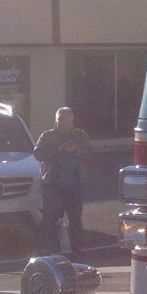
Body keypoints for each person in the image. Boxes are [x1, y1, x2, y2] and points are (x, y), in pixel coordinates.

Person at [34, 107, 94, 256]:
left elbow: (90, 156)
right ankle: (47, 248)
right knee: (50, 218)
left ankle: (78, 247)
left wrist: (75, 151)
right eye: (62, 120)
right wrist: (60, 149)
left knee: (75, 218)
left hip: (74, 184)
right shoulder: (47, 136)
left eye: (68, 120)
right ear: (56, 120)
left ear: (72, 121)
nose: (65, 123)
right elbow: (37, 153)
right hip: (52, 184)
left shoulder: (80, 136)